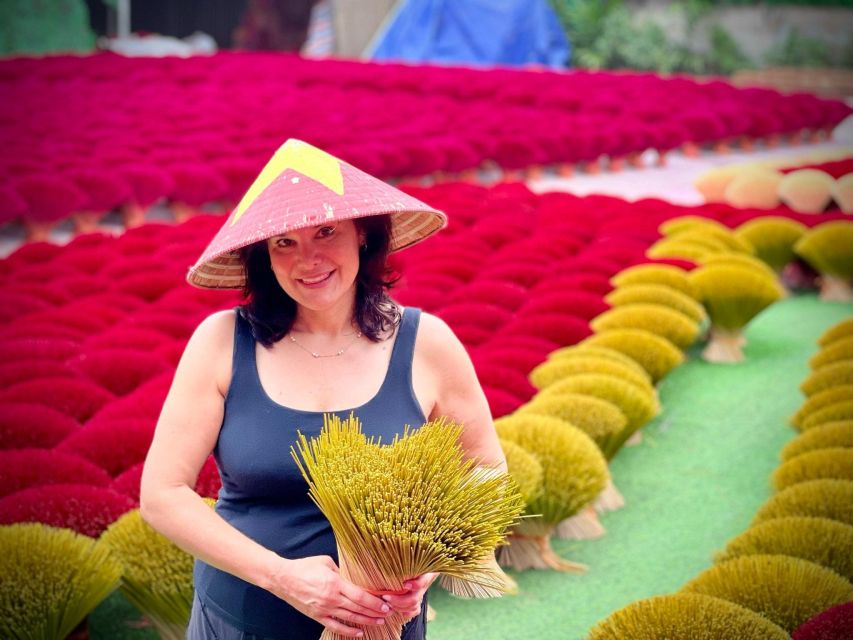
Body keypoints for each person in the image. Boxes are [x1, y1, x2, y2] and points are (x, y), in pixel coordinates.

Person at [140, 139, 508, 639]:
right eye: (283, 243)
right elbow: (163, 495)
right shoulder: (223, 342)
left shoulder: (427, 343)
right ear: (263, 257)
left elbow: (485, 468)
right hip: (243, 619)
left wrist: (431, 559)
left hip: (381, 626)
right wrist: (284, 578)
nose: (307, 259)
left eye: (326, 231)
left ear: (363, 235)